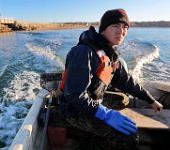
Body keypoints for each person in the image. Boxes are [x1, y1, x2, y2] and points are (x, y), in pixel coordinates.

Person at [59, 8, 163, 150]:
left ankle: (93, 135)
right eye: (115, 26)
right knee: (129, 135)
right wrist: (105, 113)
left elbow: (127, 82)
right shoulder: (84, 52)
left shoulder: (110, 55)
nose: (121, 31)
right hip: (74, 109)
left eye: (125, 27)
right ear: (103, 30)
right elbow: (74, 95)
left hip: (92, 101)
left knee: (122, 100)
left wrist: (150, 99)